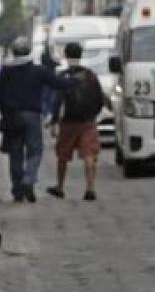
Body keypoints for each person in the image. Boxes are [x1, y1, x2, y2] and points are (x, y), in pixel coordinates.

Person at [0, 37, 75, 203]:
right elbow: (58, 83)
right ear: (29, 51)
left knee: (15, 153)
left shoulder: (5, 71)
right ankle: (28, 179)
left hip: (13, 116)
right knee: (35, 150)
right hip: (32, 115)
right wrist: (75, 80)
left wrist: (5, 112)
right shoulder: (38, 70)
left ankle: (17, 189)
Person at [46, 42, 106, 201]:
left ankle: (59, 186)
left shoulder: (63, 76)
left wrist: (54, 121)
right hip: (87, 122)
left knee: (63, 155)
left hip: (68, 122)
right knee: (89, 154)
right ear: (81, 54)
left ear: (65, 55)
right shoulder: (90, 75)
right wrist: (93, 115)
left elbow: (57, 101)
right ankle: (90, 188)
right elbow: (100, 99)